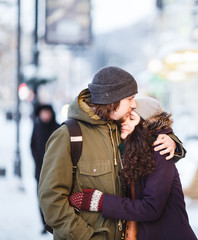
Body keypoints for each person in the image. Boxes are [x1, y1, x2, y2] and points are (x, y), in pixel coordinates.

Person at [38, 66, 185, 240]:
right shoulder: (68, 135)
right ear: (112, 99)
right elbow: (52, 202)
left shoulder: (119, 129)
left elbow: (150, 130)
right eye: (129, 98)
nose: (134, 104)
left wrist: (172, 141)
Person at [69, 96, 197, 240]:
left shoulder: (159, 150)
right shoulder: (130, 150)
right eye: (123, 118)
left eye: (131, 119)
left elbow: (151, 208)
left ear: (145, 124)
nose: (124, 123)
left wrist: (100, 202)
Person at [30, 104, 60, 234]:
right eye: (43, 113)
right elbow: (32, 145)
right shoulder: (37, 127)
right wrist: (37, 159)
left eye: (48, 113)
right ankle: (44, 223)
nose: (45, 115)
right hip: (40, 170)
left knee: (56, 198)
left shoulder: (58, 128)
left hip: (56, 171)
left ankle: (55, 223)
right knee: (41, 198)